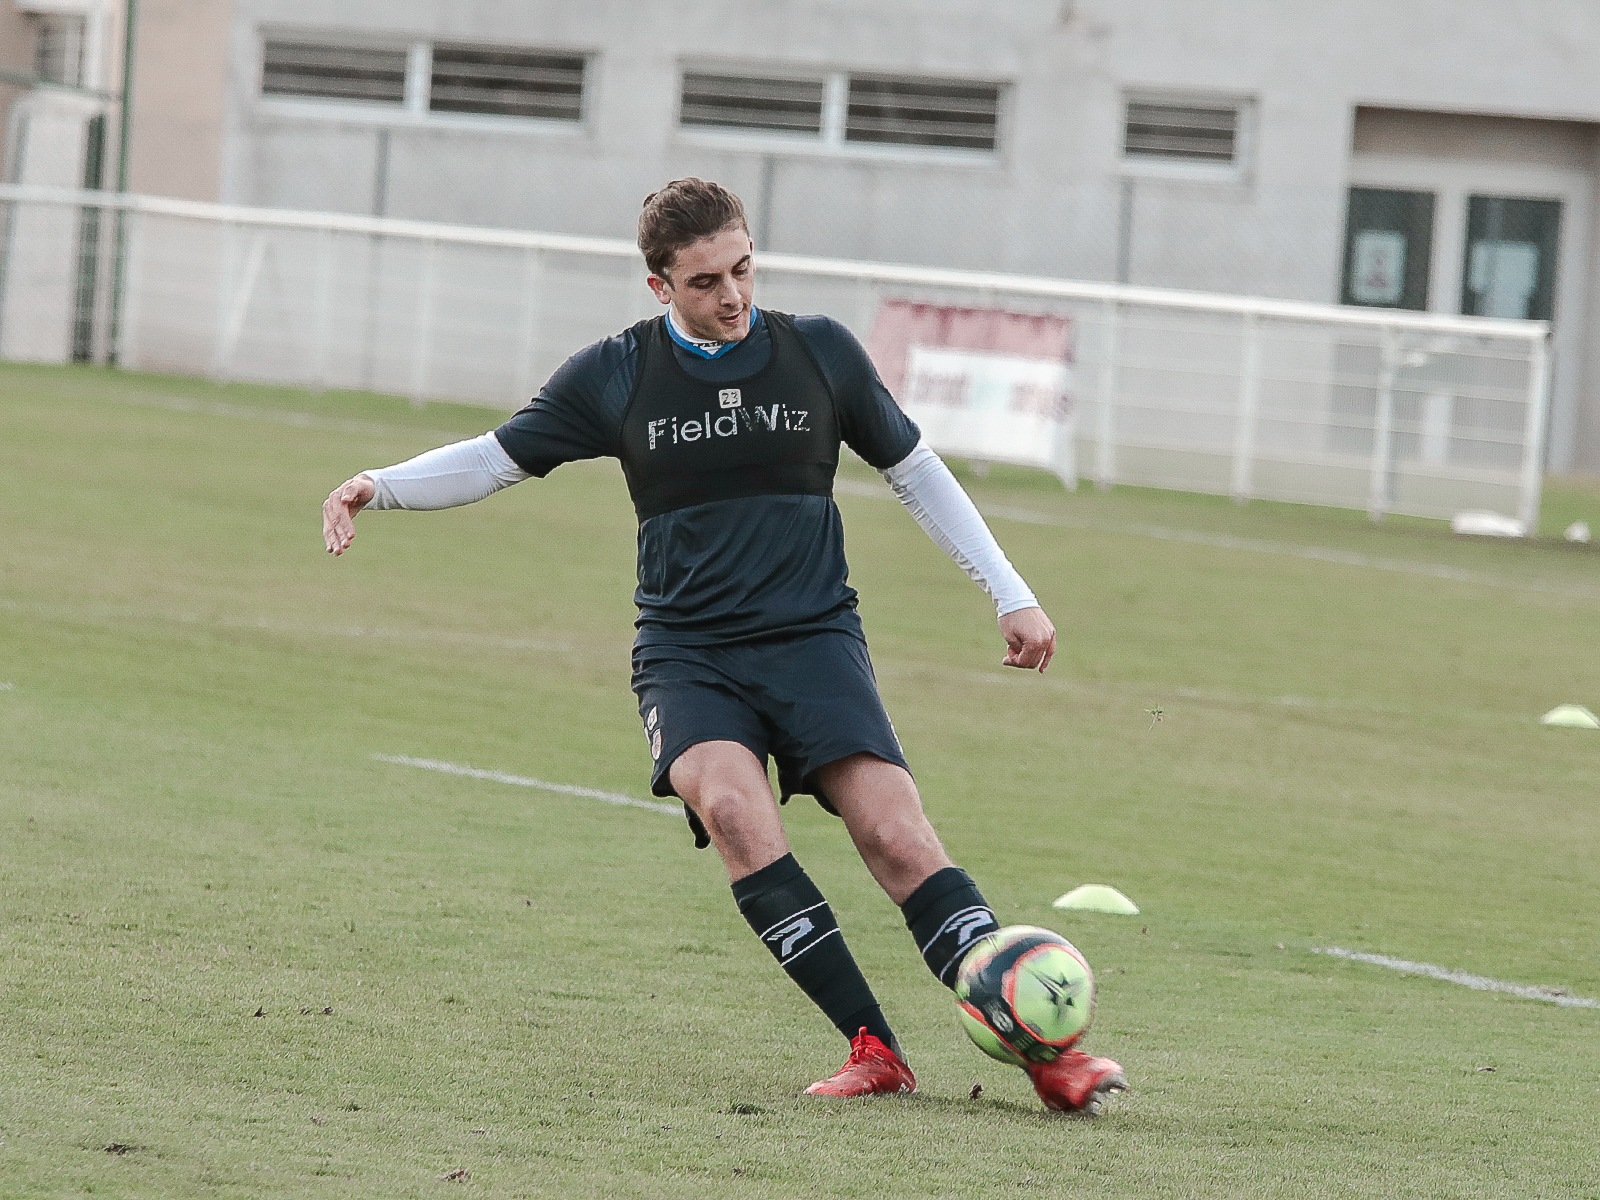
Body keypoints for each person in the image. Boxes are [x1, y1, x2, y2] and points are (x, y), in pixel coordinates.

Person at [321, 178, 1126, 1112]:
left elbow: (915, 470)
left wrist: (1011, 593)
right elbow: (494, 458)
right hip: (689, 651)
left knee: (898, 838)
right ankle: (874, 1047)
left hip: (815, 637)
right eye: (705, 281)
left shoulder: (818, 352)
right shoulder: (616, 375)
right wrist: (376, 484)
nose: (733, 295)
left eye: (743, 268)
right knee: (741, 820)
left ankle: (1047, 1057)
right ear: (660, 285)